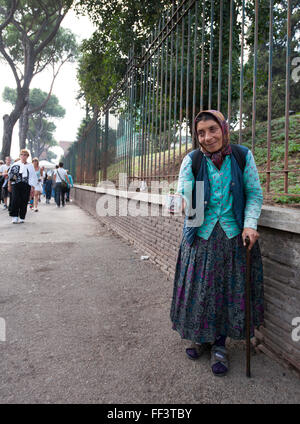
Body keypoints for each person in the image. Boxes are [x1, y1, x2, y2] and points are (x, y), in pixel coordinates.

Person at [170, 110, 264, 377]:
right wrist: (183, 201)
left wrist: (250, 224)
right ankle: (201, 337)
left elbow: (254, 194)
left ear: (224, 129)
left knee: (226, 293)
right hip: (200, 238)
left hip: (234, 238)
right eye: (201, 132)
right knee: (200, 292)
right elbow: (184, 194)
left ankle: (220, 345)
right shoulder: (193, 160)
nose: (207, 137)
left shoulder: (242, 157)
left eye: (212, 129)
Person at [8, 150, 38, 224]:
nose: (23, 156)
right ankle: (14, 216)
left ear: (27, 156)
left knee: (24, 201)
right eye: (22, 154)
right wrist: (9, 185)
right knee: (15, 200)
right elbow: (11, 176)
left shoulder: (30, 166)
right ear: (19, 156)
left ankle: (22, 216)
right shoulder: (15, 164)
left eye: (25, 155)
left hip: (26, 185)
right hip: (16, 184)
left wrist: (33, 187)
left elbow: (32, 177)